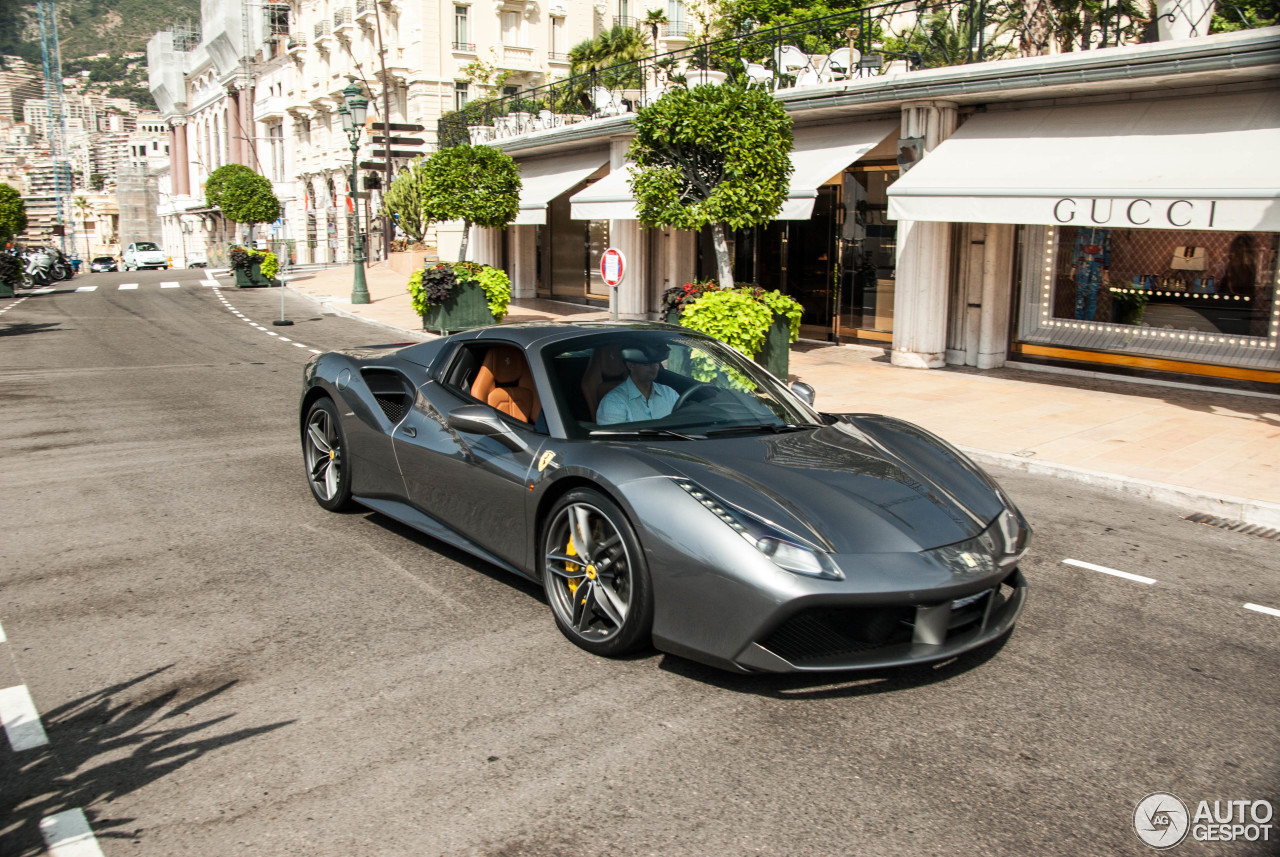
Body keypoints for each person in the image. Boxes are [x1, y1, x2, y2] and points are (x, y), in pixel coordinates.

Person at [595, 343, 679, 425]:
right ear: (630, 365)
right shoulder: (613, 402)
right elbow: (612, 438)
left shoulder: (669, 394)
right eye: (647, 363)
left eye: (656, 362)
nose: (654, 367)